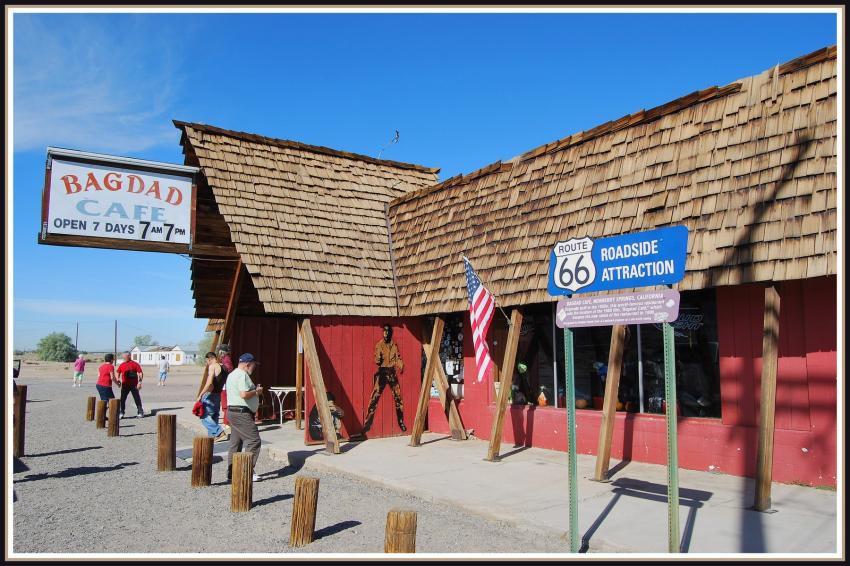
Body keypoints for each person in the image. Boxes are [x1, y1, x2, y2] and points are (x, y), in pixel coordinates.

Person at [224, 353, 264, 483]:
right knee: (254, 440)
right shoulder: (242, 375)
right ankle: (246, 471)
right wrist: (257, 392)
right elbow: (243, 394)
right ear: (248, 364)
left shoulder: (232, 374)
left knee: (235, 443)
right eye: (253, 365)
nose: (254, 368)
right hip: (241, 413)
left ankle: (231, 472)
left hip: (232, 412)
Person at [363, 324, 406, 434]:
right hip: (382, 373)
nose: (386, 333)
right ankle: (367, 424)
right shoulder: (379, 345)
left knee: (398, 398)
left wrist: (401, 365)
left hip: (391, 373)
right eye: (384, 331)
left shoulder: (394, 345)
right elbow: (377, 360)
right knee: (374, 398)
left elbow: (398, 357)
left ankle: (401, 421)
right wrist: (379, 357)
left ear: (391, 333)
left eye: (388, 331)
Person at [197, 351, 229, 442]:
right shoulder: (224, 367)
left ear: (209, 359)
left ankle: (219, 432)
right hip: (218, 394)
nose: (206, 363)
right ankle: (213, 437)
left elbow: (209, 383)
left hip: (210, 395)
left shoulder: (213, 366)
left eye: (206, 361)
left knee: (203, 416)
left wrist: (200, 395)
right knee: (214, 416)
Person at [116, 351, 145, 419]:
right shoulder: (122, 364)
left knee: (136, 398)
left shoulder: (135, 364)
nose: (123, 358)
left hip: (134, 385)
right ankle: (121, 412)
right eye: (123, 357)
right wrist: (118, 379)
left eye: (125, 357)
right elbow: (118, 372)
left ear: (129, 356)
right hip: (125, 385)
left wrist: (140, 382)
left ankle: (140, 412)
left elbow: (140, 373)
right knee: (122, 399)